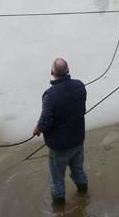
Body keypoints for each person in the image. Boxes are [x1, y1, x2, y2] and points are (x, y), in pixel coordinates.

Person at [33, 58, 88, 205]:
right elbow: (82, 109)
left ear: (52, 73)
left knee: (57, 179)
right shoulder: (80, 85)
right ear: (68, 71)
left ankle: (59, 211)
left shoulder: (49, 95)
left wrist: (38, 129)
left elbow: (46, 120)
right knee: (78, 170)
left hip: (59, 147)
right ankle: (84, 195)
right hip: (78, 139)